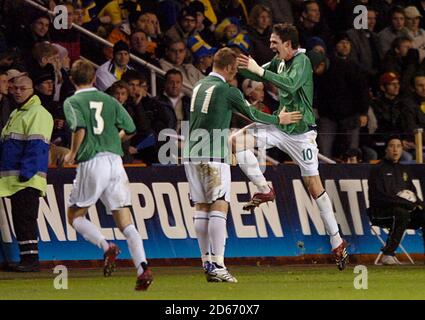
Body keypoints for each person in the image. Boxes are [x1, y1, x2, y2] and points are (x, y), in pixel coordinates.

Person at [236, 23, 349, 270]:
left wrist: (261, 72)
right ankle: (264, 188)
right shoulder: (279, 61)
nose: (271, 46)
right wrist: (236, 65)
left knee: (313, 185)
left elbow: (289, 84)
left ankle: (337, 240)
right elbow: (254, 74)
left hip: (302, 134)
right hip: (280, 124)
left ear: (288, 44)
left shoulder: (303, 61)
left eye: (275, 42)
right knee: (236, 142)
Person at [184, 47, 299, 282]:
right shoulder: (227, 90)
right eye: (234, 71)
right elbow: (253, 115)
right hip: (214, 154)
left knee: (202, 207)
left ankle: (207, 262)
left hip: (191, 153)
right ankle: (218, 264)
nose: (234, 75)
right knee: (219, 206)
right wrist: (280, 119)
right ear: (227, 68)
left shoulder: (199, 86)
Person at [63, 60, 153, 291]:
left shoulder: (73, 101)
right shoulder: (109, 100)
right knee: (126, 222)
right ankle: (142, 268)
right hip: (116, 162)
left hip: (93, 162)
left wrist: (72, 153)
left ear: (72, 80)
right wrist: (114, 138)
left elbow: (80, 128)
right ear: (94, 79)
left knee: (74, 216)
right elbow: (131, 128)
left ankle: (105, 246)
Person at [0, 76, 53, 271]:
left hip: (26, 178)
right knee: (21, 219)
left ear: (32, 90)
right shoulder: (18, 112)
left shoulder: (37, 113)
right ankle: (26, 258)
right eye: (14, 88)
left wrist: (27, 172)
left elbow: (37, 145)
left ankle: (31, 261)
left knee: (26, 219)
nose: (18, 92)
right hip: (15, 179)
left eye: (23, 88)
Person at [368, 136, 425, 265]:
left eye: (399, 146)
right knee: (401, 213)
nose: (395, 149)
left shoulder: (403, 170)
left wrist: (420, 205)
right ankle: (388, 254)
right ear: (386, 149)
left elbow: (413, 194)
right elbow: (378, 197)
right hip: (380, 213)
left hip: (403, 213)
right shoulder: (378, 170)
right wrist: (404, 203)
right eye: (392, 146)